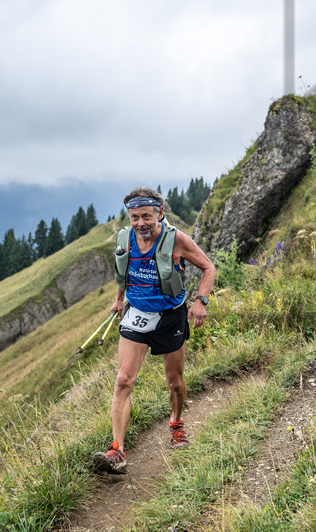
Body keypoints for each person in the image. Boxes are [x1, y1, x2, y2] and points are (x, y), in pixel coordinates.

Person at [93, 187, 216, 474]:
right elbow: (125, 273)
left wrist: (200, 301)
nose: (140, 223)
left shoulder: (177, 240)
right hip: (136, 315)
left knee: (175, 382)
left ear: (160, 214)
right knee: (123, 380)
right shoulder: (125, 238)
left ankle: (176, 423)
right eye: (134, 217)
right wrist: (119, 299)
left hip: (170, 318)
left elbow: (208, 267)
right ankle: (117, 451)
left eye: (146, 216)